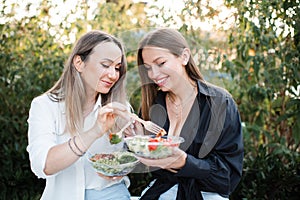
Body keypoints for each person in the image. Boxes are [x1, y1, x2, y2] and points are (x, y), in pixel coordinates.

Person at [135, 28, 244, 200]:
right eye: (148, 68)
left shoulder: (219, 103)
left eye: (161, 63)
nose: (153, 75)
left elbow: (227, 178)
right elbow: (147, 163)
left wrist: (185, 163)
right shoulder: (153, 105)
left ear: (184, 56)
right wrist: (135, 141)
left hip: (207, 195)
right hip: (161, 192)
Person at [27, 30, 133, 200]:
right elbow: (43, 165)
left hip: (112, 193)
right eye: (106, 65)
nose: (113, 75)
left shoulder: (120, 108)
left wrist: (128, 156)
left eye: (117, 68)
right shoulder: (45, 106)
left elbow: (130, 156)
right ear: (79, 63)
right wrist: (94, 132)